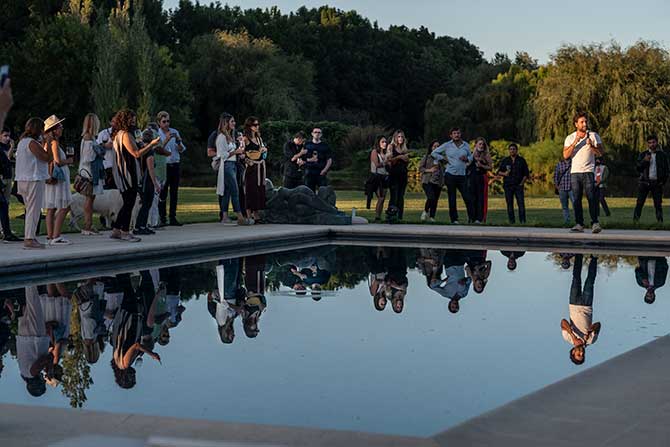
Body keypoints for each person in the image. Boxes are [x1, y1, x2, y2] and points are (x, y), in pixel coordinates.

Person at [109, 109, 158, 242]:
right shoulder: (124, 134)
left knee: (127, 202)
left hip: (127, 171)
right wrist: (151, 145)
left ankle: (116, 230)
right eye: (131, 119)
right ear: (125, 120)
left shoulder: (131, 133)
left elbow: (139, 145)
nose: (133, 121)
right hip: (127, 172)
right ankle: (125, 232)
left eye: (134, 119)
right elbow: (136, 153)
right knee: (129, 203)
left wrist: (144, 144)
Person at [563, 112, 604, 233]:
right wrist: (576, 141)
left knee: (591, 197)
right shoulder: (570, 138)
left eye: (585, 121)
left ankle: (595, 223)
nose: (585, 124)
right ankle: (579, 224)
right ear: (576, 124)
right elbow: (565, 155)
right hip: (575, 172)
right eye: (582, 122)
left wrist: (591, 146)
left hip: (588, 171)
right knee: (576, 199)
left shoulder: (593, 135)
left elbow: (601, 153)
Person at [15, 118, 50, 249]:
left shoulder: (22, 142)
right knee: (33, 210)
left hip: (23, 179)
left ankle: (29, 237)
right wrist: (49, 143)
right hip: (33, 179)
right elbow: (46, 158)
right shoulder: (32, 143)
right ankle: (29, 238)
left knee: (30, 209)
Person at [561, 254, 601, 365]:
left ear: (573, 352)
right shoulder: (590, 341)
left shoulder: (567, 338)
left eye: (579, 355)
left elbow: (563, 322)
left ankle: (579, 254)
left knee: (576, 278)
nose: (582, 353)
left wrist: (573, 336)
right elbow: (598, 324)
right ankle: (594, 257)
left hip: (573, 304)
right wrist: (590, 331)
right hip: (586, 306)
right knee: (590, 281)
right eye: (583, 355)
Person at [207, 113, 247, 224]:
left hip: (233, 165)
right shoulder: (221, 137)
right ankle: (240, 216)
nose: (234, 123)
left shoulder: (230, 136)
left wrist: (240, 147)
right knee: (235, 190)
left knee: (227, 191)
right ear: (226, 123)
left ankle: (224, 216)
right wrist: (235, 151)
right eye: (232, 121)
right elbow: (222, 154)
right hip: (227, 165)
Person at [431, 127, 474, 224]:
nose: (456, 135)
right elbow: (434, 153)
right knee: (452, 198)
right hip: (450, 175)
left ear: (460, 134)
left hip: (462, 175)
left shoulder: (466, 145)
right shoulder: (447, 145)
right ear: (451, 135)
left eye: (458, 133)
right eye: (454, 133)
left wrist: (467, 159)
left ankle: (471, 218)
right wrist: (443, 158)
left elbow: (471, 157)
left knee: (467, 197)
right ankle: (454, 219)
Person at [42, 115, 73, 246]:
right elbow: (57, 161)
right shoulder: (54, 142)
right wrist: (69, 161)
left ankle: (50, 236)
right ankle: (56, 235)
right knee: (64, 206)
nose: (62, 129)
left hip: (51, 177)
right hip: (58, 178)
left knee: (51, 208)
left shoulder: (47, 142)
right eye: (60, 126)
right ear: (54, 130)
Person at [16, 286, 52, 397]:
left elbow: (47, 358)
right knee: (28, 301)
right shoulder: (23, 373)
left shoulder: (32, 373)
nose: (44, 380)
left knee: (32, 296)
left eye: (42, 382)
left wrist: (49, 367)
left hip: (34, 335)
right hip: (23, 335)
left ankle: (29, 272)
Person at [157, 111, 186, 227]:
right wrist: (166, 140)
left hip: (175, 164)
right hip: (164, 165)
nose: (167, 124)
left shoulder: (175, 132)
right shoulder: (157, 134)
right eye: (164, 122)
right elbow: (157, 149)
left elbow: (182, 149)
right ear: (159, 122)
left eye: (168, 121)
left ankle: (172, 216)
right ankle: (162, 217)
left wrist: (179, 143)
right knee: (163, 192)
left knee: (174, 192)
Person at [79, 113, 106, 235]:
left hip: (90, 171)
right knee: (89, 199)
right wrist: (99, 150)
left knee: (91, 199)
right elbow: (88, 157)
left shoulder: (89, 137)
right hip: (90, 172)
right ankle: (87, 225)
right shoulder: (88, 138)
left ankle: (88, 224)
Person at [634, 134, 669, 223]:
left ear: (657, 142)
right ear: (647, 144)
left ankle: (660, 222)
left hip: (657, 183)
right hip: (644, 183)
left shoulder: (662, 155)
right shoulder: (643, 154)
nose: (652, 144)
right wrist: (645, 161)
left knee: (658, 204)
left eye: (653, 142)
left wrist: (662, 182)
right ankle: (635, 221)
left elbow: (666, 170)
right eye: (650, 143)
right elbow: (638, 168)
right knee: (639, 203)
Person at [134, 129, 163, 235]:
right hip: (147, 181)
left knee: (145, 204)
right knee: (147, 204)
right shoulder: (149, 151)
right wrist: (155, 183)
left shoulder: (142, 149)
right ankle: (140, 226)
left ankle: (142, 225)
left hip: (141, 180)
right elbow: (150, 168)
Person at [242, 117, 267, 223]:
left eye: (258, 125)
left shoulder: (259, 138)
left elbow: (262, 152)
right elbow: (241, 154)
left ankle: (256, 215)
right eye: (255, 125)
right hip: (252, 167)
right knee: (250, 190)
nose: (257, 127)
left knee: (259, 190)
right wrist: (248, 161)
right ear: (249, 126)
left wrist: (264, 150)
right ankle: (248, 215)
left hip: (260, 166)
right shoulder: (245, 139)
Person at [497, 143, 529, 224]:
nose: (512, 151)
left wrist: (522, 183)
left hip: (518, 185)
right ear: (509, 151)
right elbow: (498, 172)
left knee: (521, 204)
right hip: (508, 186)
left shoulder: (521, 160)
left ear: (516, 150)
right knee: (509, 204)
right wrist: (504, 174)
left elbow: (526, 174)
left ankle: (523, 221)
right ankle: (512, 222)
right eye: (510, 149)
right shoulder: (505, 160)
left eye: (514, 149)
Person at [0, 126, 20, 241]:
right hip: (2, 178)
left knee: (6, 204)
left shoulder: (7, 147)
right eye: (5, 136)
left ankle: (5, 230)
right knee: (2, 205)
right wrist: (12, 147)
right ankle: (5, 231)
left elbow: (11, 159)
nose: (8, 138)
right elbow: (7, 158)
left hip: (8, 177)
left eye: (9, 136)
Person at [385, 130, 410, 221]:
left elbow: (406, 161)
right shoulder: (391, 147)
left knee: (401, 196)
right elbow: (389, 161)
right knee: (394, 196)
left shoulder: (404, 149)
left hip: (403, 175)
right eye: (399, 136)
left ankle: (400, 217)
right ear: (395, 137)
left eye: (402, 137)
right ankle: (391, 215)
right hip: (394, 175)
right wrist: (399, 157)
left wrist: (405, 159)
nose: (401, 138)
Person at [365, 135, 389, 222]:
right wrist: (386, 162)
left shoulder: (387, 153)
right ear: (378, 143)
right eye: (382, 142)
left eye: (385, 142)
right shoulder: (375, 152)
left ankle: (379, 215)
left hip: (385, 177)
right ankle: (377, 216)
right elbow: (377, 164)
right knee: (381, 197)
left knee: (383, 198)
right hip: (376, 177)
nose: (384, 143)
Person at [419, 140, 443, 222]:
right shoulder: (426, 157)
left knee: (435, 200)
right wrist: (429, 170)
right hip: (427, 181)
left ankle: (432, 217)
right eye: (434, 146)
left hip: (438, 182)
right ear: (431, 147)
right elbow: (420, 168)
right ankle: (425, 211)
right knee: (431, 197)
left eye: (438, 146)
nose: (436, 148)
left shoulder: (441, 158)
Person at [470, 137, 493, 223]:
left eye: (483, 144)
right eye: (479, 144)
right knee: (472, 197)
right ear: (475, 145)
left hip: (482, 177)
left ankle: (480, 218)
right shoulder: (472, 154)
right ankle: (472, 217)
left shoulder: (486, 155)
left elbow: (490, 167)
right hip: (472, 178)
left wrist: (482, 165)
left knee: (481, 198)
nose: (481, 146)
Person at [304, 127, 332, 192]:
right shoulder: (307, 145)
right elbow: (302, 158)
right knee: (309, 193)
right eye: (315, 132)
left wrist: (324, 170)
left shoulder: (325, 146)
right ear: (312, 134)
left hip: (321, 172)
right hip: (309, 172)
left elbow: (329, 160)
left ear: (321, 134)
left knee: (323, 193)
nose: (317, 134)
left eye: (319, 132)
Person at [553, 157, 574, 225]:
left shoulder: (574, 163)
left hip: (572, 188)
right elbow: (555, 176)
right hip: (562, 188)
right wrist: (557, 186)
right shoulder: (559, 164)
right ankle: (567, 221)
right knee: (564, 206)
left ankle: (578, 221)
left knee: (575, 205)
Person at [96, 123, 115, 190]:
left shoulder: (123, 133)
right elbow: (97, 147)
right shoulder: (103, 133)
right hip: (107, 166)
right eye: (113, 121)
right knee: (107, 190)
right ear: (110, 122)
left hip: (119, 167)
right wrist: (104, 145)